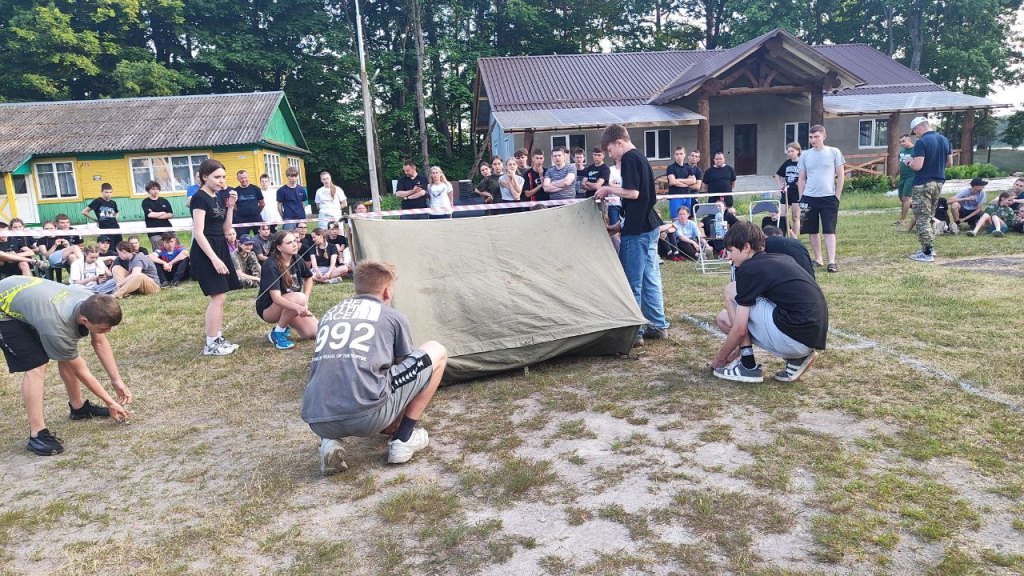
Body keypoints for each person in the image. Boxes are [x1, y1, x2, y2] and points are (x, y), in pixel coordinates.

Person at [301, 261, 448, 474]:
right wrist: (393, 419)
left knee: (334, 366)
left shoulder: (329, 314)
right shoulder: (393, 316)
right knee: (437, 350)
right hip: (368, 418)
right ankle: (404, 438)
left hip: (318, 419)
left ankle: (329, 442)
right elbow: (405, 370)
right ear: (387, 292)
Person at [0, 277, 132, 455]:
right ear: (84, 320)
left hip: (26, 295)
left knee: (65, 354)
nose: (107, 332)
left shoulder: (91, 300)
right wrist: (110, 402)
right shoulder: (57, 327)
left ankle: (78, 409)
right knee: (36, 365)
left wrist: (117, 380)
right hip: (4, 310)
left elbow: (99, 342)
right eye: (103, 328)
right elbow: (80, 369)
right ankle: (37, 434)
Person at [711, 222, 827, 383]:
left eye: (731, 251)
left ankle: (748, 365)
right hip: (809, 338)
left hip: (794, 338)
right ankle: (797, 360)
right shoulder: (781, 258)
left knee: (731, 292)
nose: (729, 257)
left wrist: (719, 359)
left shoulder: (749, 269)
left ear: (746, 247)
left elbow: (739, 329)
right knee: (728, 315)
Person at [595, 124, 669, 347]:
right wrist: (619, 226)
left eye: (610, 150)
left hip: (637, 232)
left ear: (619, 142)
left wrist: (608, 189)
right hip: (649, 226)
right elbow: (643, 198)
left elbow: (633, 193)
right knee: (651, 278)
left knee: (632, 281)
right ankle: (658, 325)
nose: (610, 155)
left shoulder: (628, 158)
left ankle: (634, 332)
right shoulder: (641, 159)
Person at [190, 158, 242, 356]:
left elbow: (226, 228)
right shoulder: (199, 198)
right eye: (217, 177)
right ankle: (211, 344)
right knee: (217, 296)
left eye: (223, 177)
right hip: (206, 251)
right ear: (205, 177)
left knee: (222, 296)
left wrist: (230, 206)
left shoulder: (218, 197)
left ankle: (217, 338)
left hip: (220, 245)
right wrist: (213, 258)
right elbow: (198, 232)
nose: (222, 180)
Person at [256, 230, 316, 350]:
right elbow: (276, 298)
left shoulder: (297, 258)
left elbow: (308, 278)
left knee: (313, 332)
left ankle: (285, 321)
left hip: (293, 304)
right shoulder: (270, 264)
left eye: (295, 241)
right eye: (289, 243)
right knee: (299, 297)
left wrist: (305, 302)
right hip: (269, 309)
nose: (294, 244)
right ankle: (278, 333)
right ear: (279, 247)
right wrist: (299, 306)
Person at [797, 125, 845, 273]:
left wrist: (837, 195)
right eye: (811, 137)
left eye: (816, 136)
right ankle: (818, 258)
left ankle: (832, 261)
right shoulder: (805, 154)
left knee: (829, 230)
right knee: (811, 230)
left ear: (823, 136)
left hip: (828, 197)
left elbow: (841, 175)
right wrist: (801, 198)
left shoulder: (834, 152)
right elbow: (801, 178)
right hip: (809, 197)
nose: (813, 140)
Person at [906, 116, 953, 263]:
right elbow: (950, 163)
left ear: (919, 127)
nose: (916, 135)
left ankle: (927, 252)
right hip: (939, 182)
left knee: (922, 218)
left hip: (923, 183)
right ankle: (931, 247)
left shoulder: (922, 142)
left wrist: (909, 162)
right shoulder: (945, 140)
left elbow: (918, 165)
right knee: (930, 215)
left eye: (915, 132)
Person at [775, 143, 801, 237]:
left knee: (795, 217)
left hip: (797, 192)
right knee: (782, 215)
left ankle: (794, 238)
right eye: (788, 151)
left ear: (798, 151)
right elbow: (777, 175)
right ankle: (783, 235)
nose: (790, 153)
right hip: (786, 192)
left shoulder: (802, 162)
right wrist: (781, 185)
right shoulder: (787, 163)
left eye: (792, 151)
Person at [140, 181, 175, 250]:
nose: (155, 191)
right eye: (153, 189)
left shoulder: (164, 201)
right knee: (159, 249)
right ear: (148, 191)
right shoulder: (146, 202)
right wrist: (163, 212)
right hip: (153, 230)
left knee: (173, 246)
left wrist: (156, 215)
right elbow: (150, 215)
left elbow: (170, 214)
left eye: (157, 189)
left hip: (167, 227)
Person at [232, 170, 265, 236]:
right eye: (241, 178)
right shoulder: (235, 191)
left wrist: (256, 211)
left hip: (256, 218)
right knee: (242, 239)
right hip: (241, 220)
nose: (244, 180)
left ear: (248, 177)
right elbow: (233, 206)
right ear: (238, 179)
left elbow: (262, 204)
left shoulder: (256, 189)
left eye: (245, 177)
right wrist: (241, 211)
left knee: (261, 237)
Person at [667, 146, 696, 216]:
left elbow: (693, 181)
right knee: (676, 218)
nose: (679, 156)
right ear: (674, 156)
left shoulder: (688, 168)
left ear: (685, 155)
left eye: (681, 154)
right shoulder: (671, 168)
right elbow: (673, 182)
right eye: (677, 154)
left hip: (687, 196)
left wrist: (679, 180)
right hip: (675, 197)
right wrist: (687, 184)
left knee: (686, 218)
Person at [895, 134, 915, 227]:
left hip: (911, 176)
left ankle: (902, 220)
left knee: (906, 198)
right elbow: (900, 164)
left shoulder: (915, 150)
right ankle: (917, 207)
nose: (901, 143)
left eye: (903, 141)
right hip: (902, 177)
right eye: (900, 142)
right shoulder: (902, 151)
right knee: (901, 197)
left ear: (909, 140)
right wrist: (895, 176)